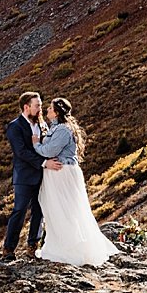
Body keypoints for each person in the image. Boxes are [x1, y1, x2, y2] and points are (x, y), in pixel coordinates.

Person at [33, 97, 118, 266]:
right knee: (57, 210)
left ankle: (70, 249)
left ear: (56, 112)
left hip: (62, 173)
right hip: (58, 173)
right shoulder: (56, 127)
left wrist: (36, 144)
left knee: (66, 210)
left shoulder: (63, 130)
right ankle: (59, 245)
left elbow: (49, 150)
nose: (47, 111)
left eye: (50, 108)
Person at [2, 91, 47, 259]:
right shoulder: (15, 126)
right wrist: (43, 162)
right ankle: (9, 249)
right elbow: (20, 152)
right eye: (37, 106)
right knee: (19, 210)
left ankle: (33, 247)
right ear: (26, 107)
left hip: (42, 176)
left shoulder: (42, 124)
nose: (40, 108)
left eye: (41, 105)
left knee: (39, 210)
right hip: (24, 177)